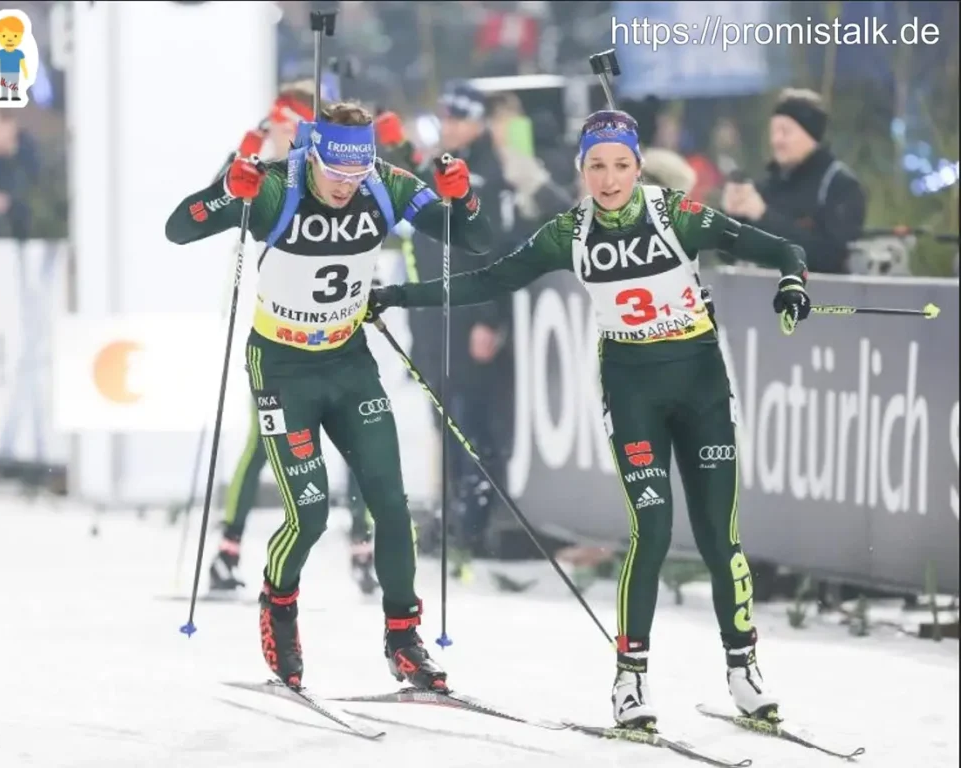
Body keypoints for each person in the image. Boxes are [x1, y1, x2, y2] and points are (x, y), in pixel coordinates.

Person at [366, 110, 812, 728]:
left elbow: (782, 248)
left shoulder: (674, 214)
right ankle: (630, 682)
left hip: (702, 385)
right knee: (650, 533)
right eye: (596, 167)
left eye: (621, 165)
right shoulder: (567, 232)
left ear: (638, 165)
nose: (609, 180)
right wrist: (397, 294)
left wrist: (792, 281)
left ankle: (743, 670)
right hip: (632, 390)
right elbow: (489, 280)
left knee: (719, 537)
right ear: (581, 170)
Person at [165, 99, 492, 692]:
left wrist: (461, 196)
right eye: (335, 174)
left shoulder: (386, 183)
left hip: (347, 363)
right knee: (310, 515)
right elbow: (179, 228)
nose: (346, 187)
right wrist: (225, 190)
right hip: (283, 367)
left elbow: (471, 236)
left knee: (392, 505)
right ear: (312, 154)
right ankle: (279, 606)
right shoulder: (274, 189)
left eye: (357, 174)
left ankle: (404, 639)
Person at [206, 81, 378, 596]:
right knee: (263, 440)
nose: (284, 131)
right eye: (280, 122)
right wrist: (248, 144)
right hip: (280, 333)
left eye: (290, 124)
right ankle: (227, 548)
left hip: (333, 325)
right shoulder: (272, 166)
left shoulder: (327, 168)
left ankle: (362, 548)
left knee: (356, 443)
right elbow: (220, 197)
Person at [375, 83, 517, 579]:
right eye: (446, 117)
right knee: (443, 422)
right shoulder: (441, 165)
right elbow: (411, 202)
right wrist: (394, 148)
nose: (451, 126)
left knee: (471, 422)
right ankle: (455, 515)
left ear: (478, 123)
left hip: (467, 318)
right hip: (433, 320)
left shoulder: (488, 173)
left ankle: (475, 521)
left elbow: (496, 249)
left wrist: (490, 317)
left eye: (460, 118)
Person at [722, 88, 865, 274]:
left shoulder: (839, 185)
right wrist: (730, 217)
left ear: (811, 135)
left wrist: (764, 216)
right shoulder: (767, 186)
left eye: (785, 131)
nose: (776, 140)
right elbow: (729, 255)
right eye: (773, 131)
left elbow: (831, 257)